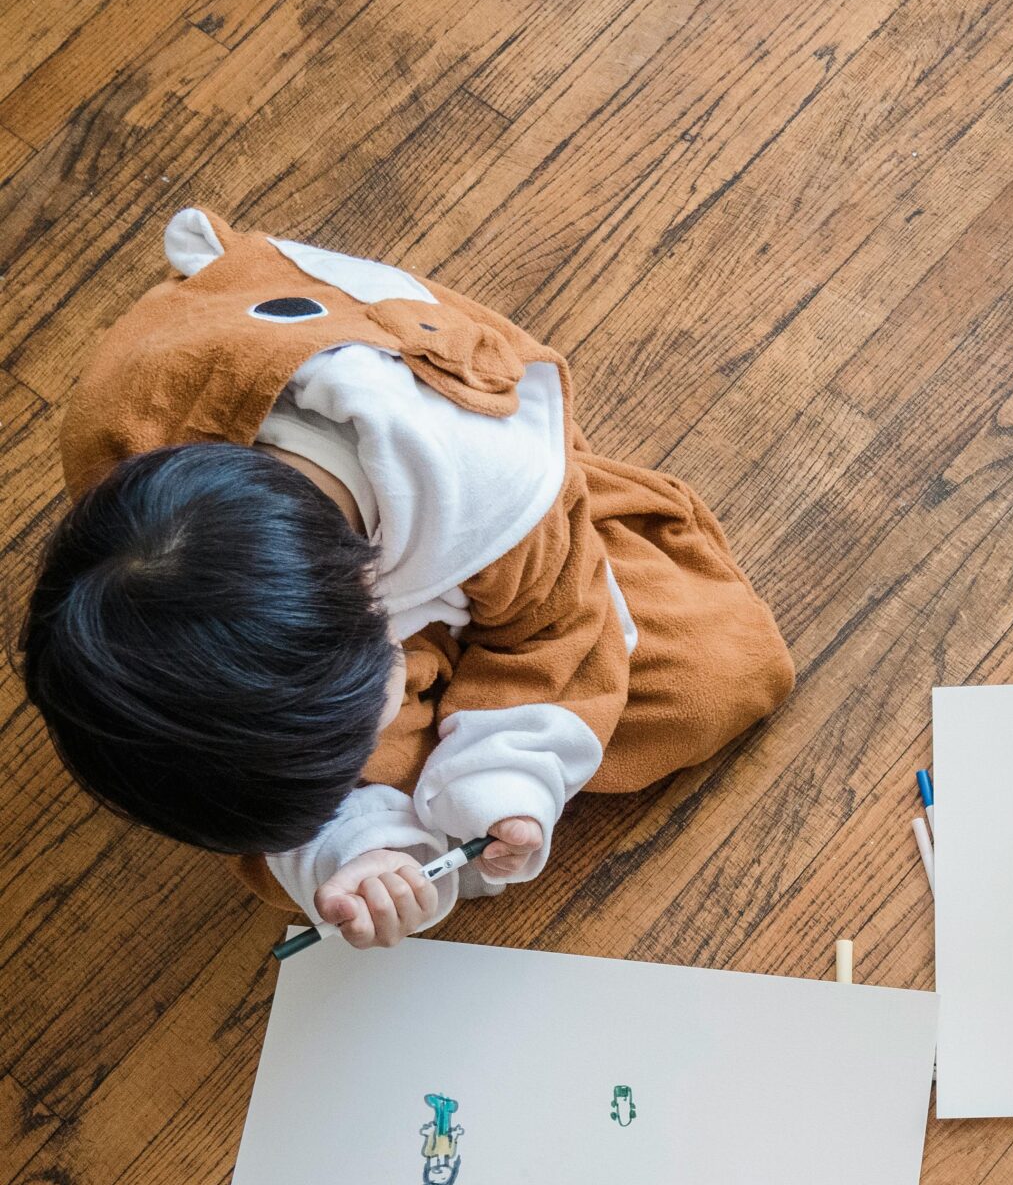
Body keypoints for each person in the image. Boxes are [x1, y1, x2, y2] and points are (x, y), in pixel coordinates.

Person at [20, 211, 794, 946]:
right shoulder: (122, 457)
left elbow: (561, 628)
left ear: (376, 606)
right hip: (343, 562)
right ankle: (354, 812)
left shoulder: (484, 482)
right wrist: (360, 849)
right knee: (262, 792)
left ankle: (422, 745)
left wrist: (505, 778)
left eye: (360, 720)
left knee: (714, 675)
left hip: (491, 511)